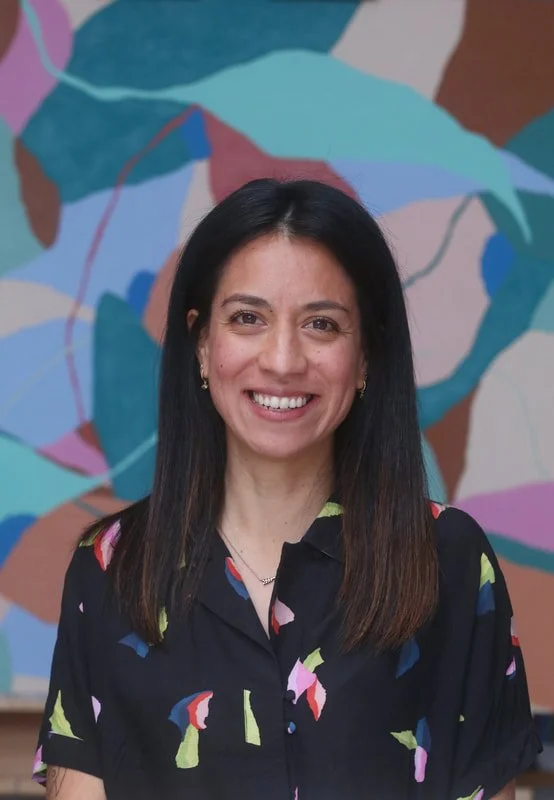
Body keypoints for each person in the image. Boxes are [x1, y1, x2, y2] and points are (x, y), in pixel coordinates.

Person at [33, 179, 541, 800]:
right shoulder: (112, 568)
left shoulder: (447, 559)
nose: (282, 360)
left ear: (366, 356)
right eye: (248, 318)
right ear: (202, 343)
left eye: (321, 324)